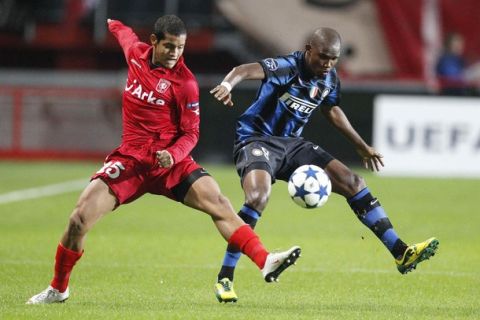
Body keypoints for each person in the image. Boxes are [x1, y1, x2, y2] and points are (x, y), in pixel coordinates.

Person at [26, 15, 302, 305]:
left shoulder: (185, 83)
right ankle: (58, 289)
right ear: (154, 42)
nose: (175, 53)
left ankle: (265, 260)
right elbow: (125, 35)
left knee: (219, 204)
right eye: (170, 46)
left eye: (180, 47)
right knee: (78, 219)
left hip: (171, 163)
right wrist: (113, 23)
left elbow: (191, 133)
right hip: (131, 161)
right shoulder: (135, 55)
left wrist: (173, 154)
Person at [210, 27, 439, 303]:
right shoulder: (287, 67)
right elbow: (244, 69)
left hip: (292, 145)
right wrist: (226, 85)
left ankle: (400, 251)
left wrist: (360, 144)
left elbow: (331, 108)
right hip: (256, 139)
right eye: (322, 57)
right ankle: (225, 278)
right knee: (257, 196)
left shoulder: (329, 77)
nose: (328, 64)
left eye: (333, 58)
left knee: (354, 182)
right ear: (308, 49)